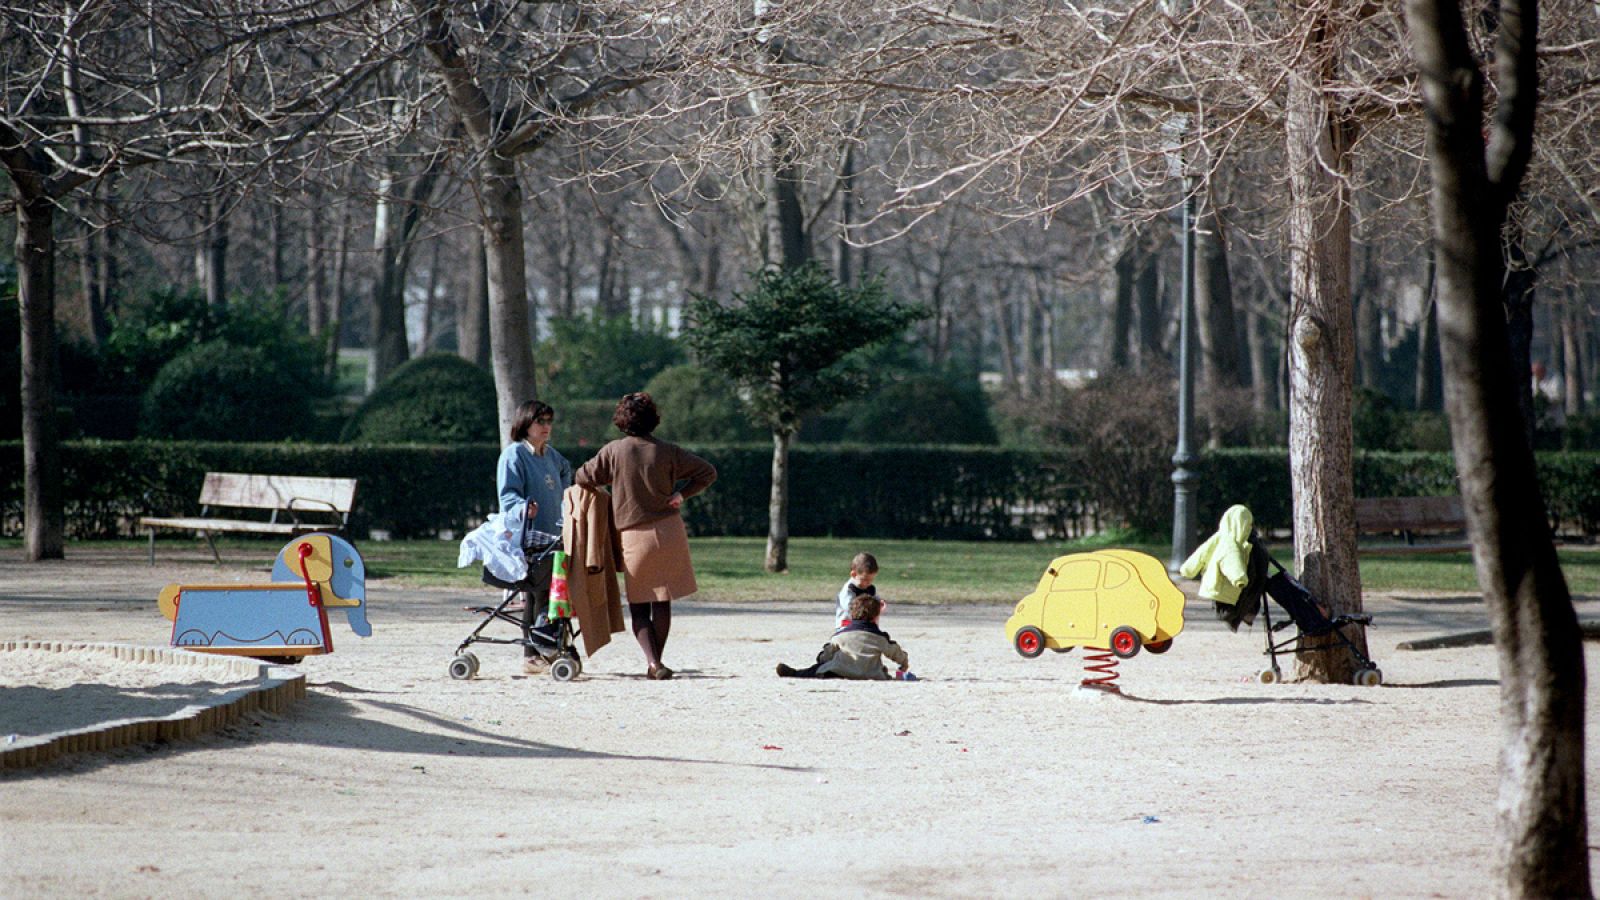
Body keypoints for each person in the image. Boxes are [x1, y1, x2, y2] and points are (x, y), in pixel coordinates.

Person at [574, 392, 717, 680]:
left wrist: (604, 493)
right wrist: (681, 493)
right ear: (653, 419)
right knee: (662, 600)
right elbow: (707, 472)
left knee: (639, 604)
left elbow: (582, 476)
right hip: (669, 531)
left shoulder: (614, 451)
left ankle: (653, 663)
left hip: (634, 536)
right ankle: (657, 663)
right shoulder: (668, 451)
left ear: (622, 421)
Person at [496, 400, 573, 674]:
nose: (546, 427)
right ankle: (532, 653)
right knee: (535, 592)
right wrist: (522, 508)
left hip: (554, 534)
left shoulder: (551, 455)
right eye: (540, 422)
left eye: (549, 421)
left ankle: (547, 646)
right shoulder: (514, 455)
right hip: (528, 537)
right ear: (525, 424)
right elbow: (507, 495)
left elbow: (567, 472)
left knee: (549, 593)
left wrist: (568, 495)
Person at [777, 593, 909, 680]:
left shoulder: (842, 635)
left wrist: (821, 659)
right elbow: (895, 652)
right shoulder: (880, 638)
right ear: (875, 617)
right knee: (881, 669)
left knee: (816, 670)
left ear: (852, 614)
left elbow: (827, 653)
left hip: (839, 671)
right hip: (871, 674)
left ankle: (795, 674)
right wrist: (903, 663)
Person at [834, 551, 881, 628]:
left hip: (865, 625)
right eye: (865, 579)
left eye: (871, 580)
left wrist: (878, 605)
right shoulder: (849, 590)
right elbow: (849, 608)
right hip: (846, 625)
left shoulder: (870, 588)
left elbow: (875, 601)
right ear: (854, 574)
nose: (868, 583)